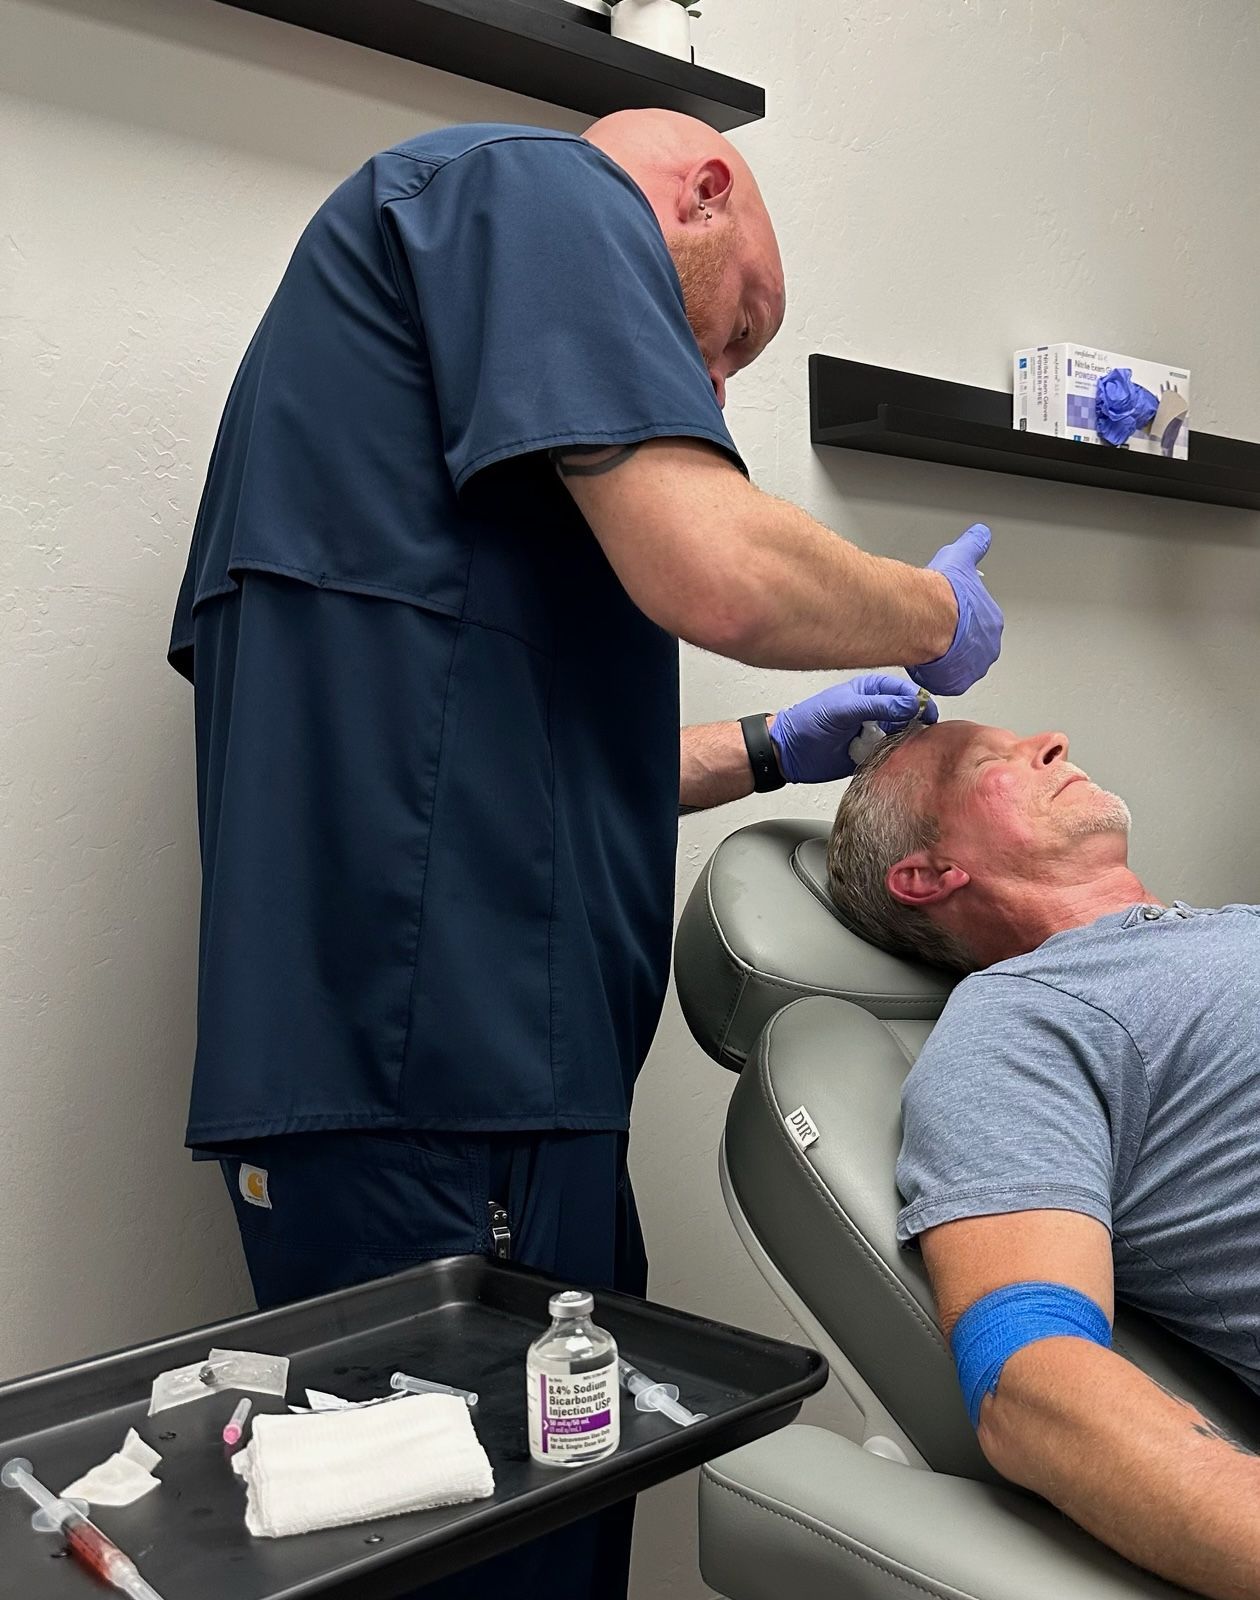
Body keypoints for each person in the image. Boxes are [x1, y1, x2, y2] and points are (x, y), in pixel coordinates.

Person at [168, 106, 1001, 1600]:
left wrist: (766, 748)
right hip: (454, 1077)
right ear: (697, 190)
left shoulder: (400, 413)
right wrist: (933, 621)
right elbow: (719, 567)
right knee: (504, 1566)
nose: (713, 384)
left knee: (482, 1541)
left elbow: (490, 746)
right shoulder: (528, 188)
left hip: (417, 1077)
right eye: (734, 334)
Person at [826, 719, 1260, 1600]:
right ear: (929, 874)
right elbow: (1031, 1384)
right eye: (994, 761)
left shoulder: (1232, 928)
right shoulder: (1016, 1028)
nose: (1055, 740)